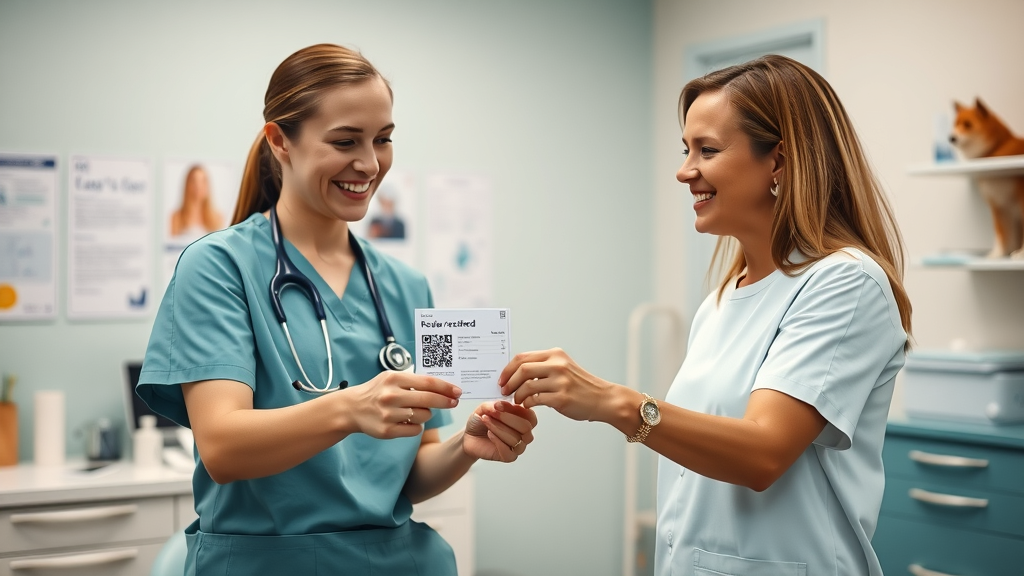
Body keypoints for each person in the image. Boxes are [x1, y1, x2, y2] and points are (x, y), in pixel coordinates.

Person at [499, 54, 912, 575]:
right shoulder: (719, 303)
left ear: (779, 162)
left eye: (707, 150)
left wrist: (611, 402)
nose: (684, 171)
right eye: (686, 149)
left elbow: (763, 453)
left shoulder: (846, 283)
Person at [137, 44, 537, 575]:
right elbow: (223, 448)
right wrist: (350, 408)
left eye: (383, 139)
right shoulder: (218, 266)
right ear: (280, 140)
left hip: (398, 563)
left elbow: (414, 469)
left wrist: (466, 444)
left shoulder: (407, 286)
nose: (370, 164)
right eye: (345, 141)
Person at [168, 164, 224, 238]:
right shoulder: (177, 217)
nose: (198, 186)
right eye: (194, 181)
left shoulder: (218, 218)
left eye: (203, 181)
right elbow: (173, 244)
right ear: (187, 185)